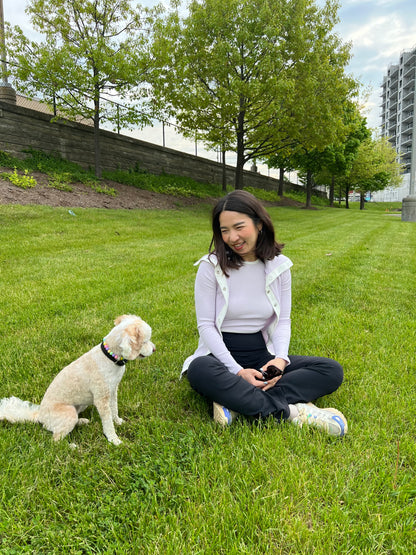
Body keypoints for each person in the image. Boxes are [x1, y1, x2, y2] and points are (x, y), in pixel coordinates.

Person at [181, 190, 347, 437]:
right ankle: (293, 413)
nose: (232, 237)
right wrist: (237, 371)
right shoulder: (210, 266)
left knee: (330, 370)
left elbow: (284, 321)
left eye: (239, 227)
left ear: (259, 223)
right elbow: (206, 326)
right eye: (224, 230)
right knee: (198, 369)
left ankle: (236, 401)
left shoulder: (279, 267)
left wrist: (279, 360)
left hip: (261, 355)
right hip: (219, 357)